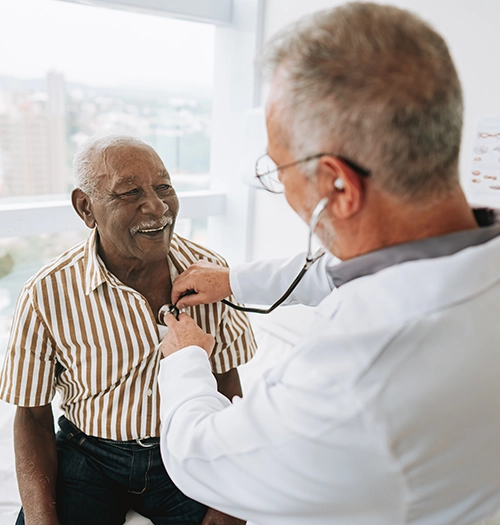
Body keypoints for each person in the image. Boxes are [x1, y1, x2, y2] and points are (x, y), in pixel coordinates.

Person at [156, 3, 500, 525]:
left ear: (338, 185)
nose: (281, 186)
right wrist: (233, 279)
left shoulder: (358, 379)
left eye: (277, 169)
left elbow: (199, 456)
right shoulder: (461, 258)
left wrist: (184, 360)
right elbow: (351, 271)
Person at [0, 135, 256, 525]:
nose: (156, 206)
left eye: (164, 186)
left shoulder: (210, 271)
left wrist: (228, 508)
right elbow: (32, 416)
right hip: (89, 454)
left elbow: (227, 384)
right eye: (130, 191)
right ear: (86, 208)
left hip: (183, 450)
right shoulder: (47, 291)